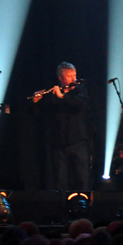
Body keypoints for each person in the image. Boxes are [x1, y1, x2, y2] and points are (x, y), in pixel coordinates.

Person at [33, 62, 91, 191]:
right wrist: (36, 102)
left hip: (78, 142)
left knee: (82, 180)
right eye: (70, 77)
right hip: (59, 144)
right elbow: (41, 115)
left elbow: (79, 105)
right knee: (60, 182)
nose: (74, 79)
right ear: (61, 78)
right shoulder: (53, 94)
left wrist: (62, 96)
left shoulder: (80, 90)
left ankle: (83, 207)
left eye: (74, 76)